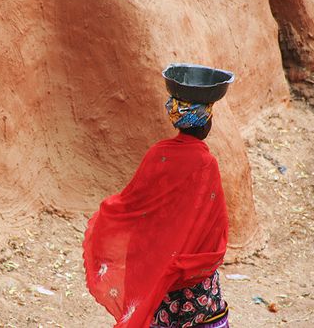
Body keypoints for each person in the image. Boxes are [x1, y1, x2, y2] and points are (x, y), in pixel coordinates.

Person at [82, 95, 229, 327]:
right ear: (204, 123)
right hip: (188, 269)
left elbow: (135, 201)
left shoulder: (157, 153)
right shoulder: (205, 163)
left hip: (154, 263)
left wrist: (109, 214)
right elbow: (214, 222)